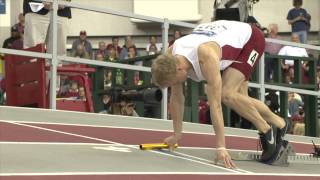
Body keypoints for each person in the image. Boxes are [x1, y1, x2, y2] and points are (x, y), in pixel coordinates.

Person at [151, 20, 288, 168]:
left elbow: (215, 105)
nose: (174, 85)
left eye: (173, 82)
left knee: (227, 94)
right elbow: (176, 99)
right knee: (241, 99)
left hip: (252, 40)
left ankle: (267, 130)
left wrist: (221, 147)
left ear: (179, 69)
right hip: (227, 33)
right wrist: (176, 135)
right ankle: (281, 123)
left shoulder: (206, 56)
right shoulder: (171, 55)